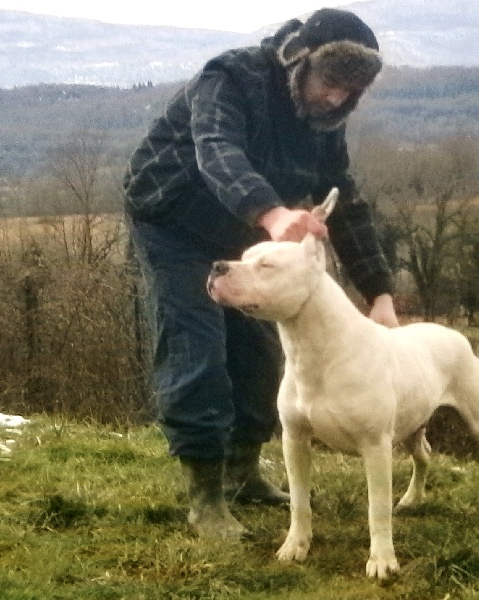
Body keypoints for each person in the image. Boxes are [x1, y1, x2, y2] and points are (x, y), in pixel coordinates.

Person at [123, 8, 399, 539]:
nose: (335, 99)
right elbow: (216, 150)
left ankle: (243, 474)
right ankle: (205, 497)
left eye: (350, 91)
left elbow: (344, 199)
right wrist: (271, 213)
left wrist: (379, 293)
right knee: (196, 351)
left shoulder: (324, 122)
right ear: (300, 62)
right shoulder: (230, 77)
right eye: (330, 82)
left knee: (260, 354)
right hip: (173, 222)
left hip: (247, 234)